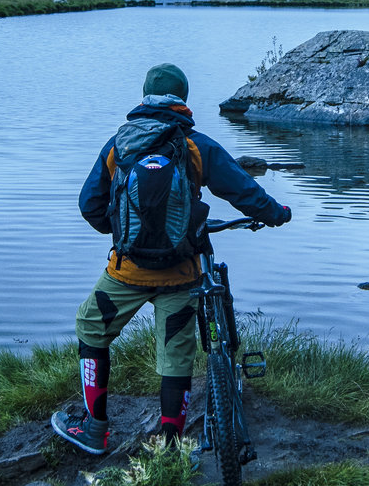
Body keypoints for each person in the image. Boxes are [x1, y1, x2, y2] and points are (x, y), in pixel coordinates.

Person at [51, 62, 291, 455]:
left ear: (144, 95)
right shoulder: (196, 146)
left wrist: (123, 237)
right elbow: (244, 192)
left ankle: (95, 430)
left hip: (127, 272)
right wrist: (277, 214)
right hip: (181, 273)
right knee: (176, 356)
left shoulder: (119, 145)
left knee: (91, 328)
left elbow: (89, 205)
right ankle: (171, 447)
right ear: (183, 99)